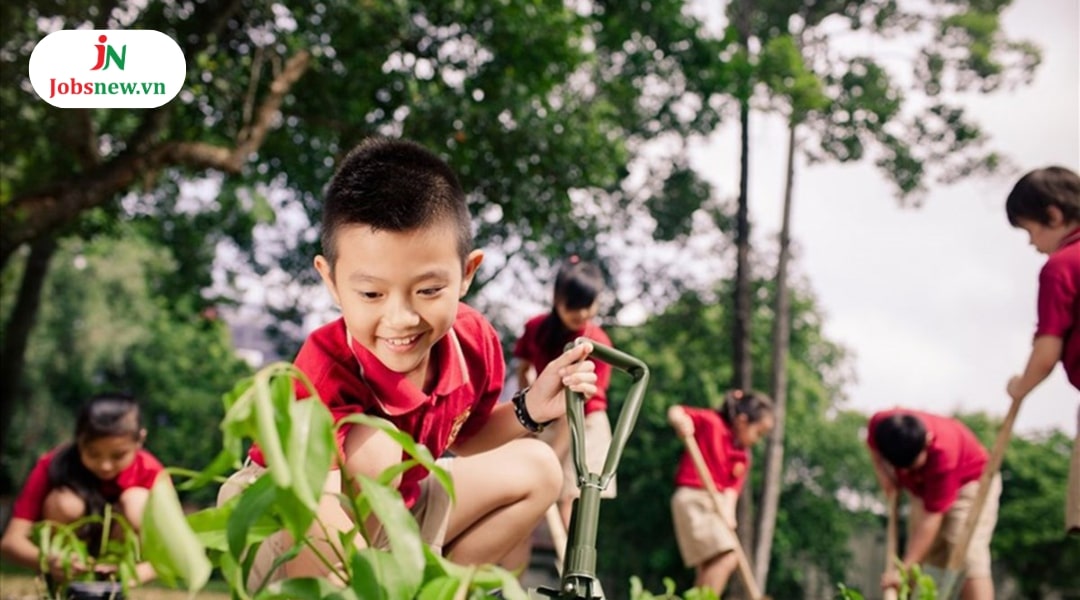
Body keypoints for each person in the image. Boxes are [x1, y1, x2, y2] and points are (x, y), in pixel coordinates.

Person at [217, 137, 599, 589]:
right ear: (331, 282)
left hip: (398, 508)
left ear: (467, 274)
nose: (401, 319)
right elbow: (316, 514)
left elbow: (467, 435)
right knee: (376, 446)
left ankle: (436, 589)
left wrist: (531, 407)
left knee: (539, 467)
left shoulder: (474, 341)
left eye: (429, 290)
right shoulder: (323, 367)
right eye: (372, 294)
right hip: (291, 517)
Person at [0, 393, 164, 585]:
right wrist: (49, 562)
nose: (105, 466)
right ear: (78, 440)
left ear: (140, 440)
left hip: (119, 563)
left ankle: (110, 583)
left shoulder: (152, 472)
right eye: (93, 454)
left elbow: (175, 548)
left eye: (118, 456)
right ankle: (65, 587)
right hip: (68, 564)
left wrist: (136, 573)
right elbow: (11, 541)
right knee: (64, 503)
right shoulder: (53, 464)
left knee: (137, 501)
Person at [1003, 165, 1080, 534]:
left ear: (1053, 215)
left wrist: (1021, 386)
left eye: (1030, 230)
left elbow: (1046, 351)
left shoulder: (1062, 266)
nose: (1032, 243)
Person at [867, 409, 999, 600]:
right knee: (928, 560)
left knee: (967, 553)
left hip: (970, 484)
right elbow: (872, 445)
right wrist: (883, 474)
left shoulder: (943, 454)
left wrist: (902, 570)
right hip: (923, 489)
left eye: (915, 465)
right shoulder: (883, 425)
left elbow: (931, 520)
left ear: (927, 441)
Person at [667, 390, 774, 595]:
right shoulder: (712, 423)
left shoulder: (743, 456)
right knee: (727, 557)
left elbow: (732, 492)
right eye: (758, 433)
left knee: (709, 566)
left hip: (715, 506)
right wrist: (680, 421)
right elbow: (676, 411)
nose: (757, 440)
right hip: (693, 499)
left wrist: (729, 515)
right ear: (742, 421)